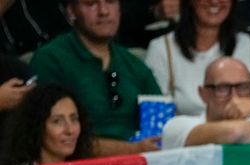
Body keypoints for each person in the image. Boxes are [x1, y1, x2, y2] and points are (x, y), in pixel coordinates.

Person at [29, 0, 162, 156]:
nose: (103, 11)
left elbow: (161, 124)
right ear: (71, 12)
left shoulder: (134, 64)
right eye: (91, 3)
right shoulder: (51, 60)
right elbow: (53, 136)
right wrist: (132, 150)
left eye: (111, 2)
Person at [144, 0, 250, 116]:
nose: (214, 1)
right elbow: (154, 118)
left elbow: (245, 105)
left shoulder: (243, 43)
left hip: (234, 130)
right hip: (181, 132)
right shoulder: (160, 48)